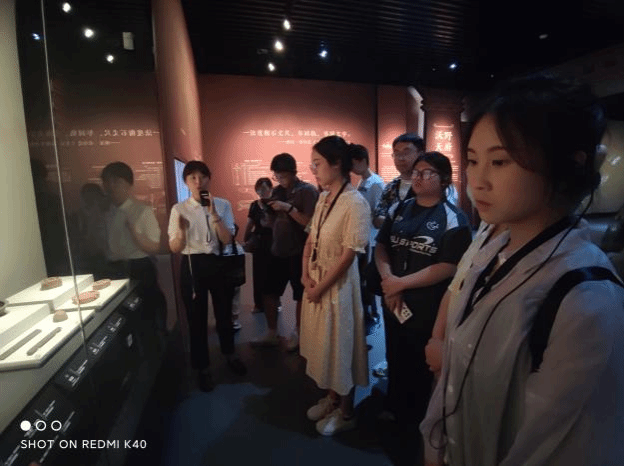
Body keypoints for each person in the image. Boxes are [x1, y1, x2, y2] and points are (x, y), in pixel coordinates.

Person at [421, 75, 624, 466]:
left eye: (499, 161)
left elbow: (565, 447)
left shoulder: (587, 300)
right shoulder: (492, 249)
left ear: (564, 166)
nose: (478, 180)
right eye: (473, 160)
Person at [374, 151, 471, 462]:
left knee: (421, 365)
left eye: (427, 172)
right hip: (393, 299)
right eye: (416, 172)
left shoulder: (454, 218)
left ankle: (419, 423)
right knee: (395, 355)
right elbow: (381, 246)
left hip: (427, 307)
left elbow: (449, 266)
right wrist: (389, 280)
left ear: (444, 180)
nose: (417, 177)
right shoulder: (400, 208)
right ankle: (395, 409)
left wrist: (400, 284)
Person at [300, 135, 371, 436]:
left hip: (338, 287)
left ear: (336, 163)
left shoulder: (355, 203)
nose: (313, 169)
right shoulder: (323, 198)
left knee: (341, 346)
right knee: (325, 345)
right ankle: (331, 398)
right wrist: (305, 275)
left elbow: (348, 255)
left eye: (317, 163)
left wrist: (319, 287)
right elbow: (311, 239)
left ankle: (346, 411)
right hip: (317, 281)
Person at [168, 161, 247, 392]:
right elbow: (174, 247)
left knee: (224, 313)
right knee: (196, 318)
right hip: (192, 264)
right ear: (185, 181)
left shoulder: (222, 204)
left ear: (209, 179)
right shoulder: (179, 209)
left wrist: (214, 214)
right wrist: (182, 232)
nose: (198, 181)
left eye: (202, 176)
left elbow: (227, 239)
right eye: (192, 177)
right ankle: (202, 367)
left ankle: (230, 354)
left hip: (218, 262)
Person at [251, 153, 318, 350]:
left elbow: (311, 224)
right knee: (269, 291)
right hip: (276, 249)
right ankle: (271, 332)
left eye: (282, 176)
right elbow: (272, 223)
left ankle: (298, 333)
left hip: (300, 251)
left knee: (300, 294)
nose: (279, 180)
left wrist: (288, 208)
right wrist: (267, 213)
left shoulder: (307, 191)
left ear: (293, 172)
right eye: (276, 176)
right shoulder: (277, 191)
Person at [101, 162, 168, 338]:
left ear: (128, 184)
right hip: (114, 270)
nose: (111, 186)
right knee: (121, 321)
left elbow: (154, 247)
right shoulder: (107, 212)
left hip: (139, 268)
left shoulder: (142, 210)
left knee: (145, 316)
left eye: (116, 182)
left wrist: (134, 232)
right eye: (107, 182)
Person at [350, 144, 385, 335]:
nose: (351, 169)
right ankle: (366, 315)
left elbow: (379, 216)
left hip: (371, 240)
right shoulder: (362, 181)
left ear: (362, 161)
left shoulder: (376, 183)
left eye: (353, 164)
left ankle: (372, 316)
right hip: (363, 238)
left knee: (367, 279)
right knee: (361, 279)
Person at [372, 132, 424, 229]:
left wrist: (390, 221)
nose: (400, 158)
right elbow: (377, 218)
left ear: (420, 154)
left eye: (406, 153)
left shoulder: (429, 186)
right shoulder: (392, 186)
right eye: (396, 153)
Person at [243, 177, 274, 314]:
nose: (262, 192)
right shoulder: (254, 205)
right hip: (259, 243)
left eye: (265, 189)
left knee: (273, 274)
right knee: (258, 274)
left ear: (271, 189)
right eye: (259, 189)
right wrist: (245, 238)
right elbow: (250, 223)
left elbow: (273, 223)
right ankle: (258, 304)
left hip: (273, 242)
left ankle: (274, 303)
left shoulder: (275, 204)